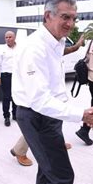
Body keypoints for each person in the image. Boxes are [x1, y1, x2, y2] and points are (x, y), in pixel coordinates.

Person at [12, 0, 93, 184]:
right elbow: (39, 99)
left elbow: (53, 88)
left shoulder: (56, 42)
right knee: (62, 178)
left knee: (48, 172)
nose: (70, 23)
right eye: (65, 17)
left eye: (74, 18)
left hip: (49, 116)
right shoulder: (35, 47)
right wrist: (82, 114)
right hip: (36, 116)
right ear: (48, 16)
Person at [9, 38, 84, 167]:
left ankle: (57, 144)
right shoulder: (38, 49)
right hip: (43, 98)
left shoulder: (57, 49)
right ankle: (19, 150)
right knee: (35, 130)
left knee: (55, 124)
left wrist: (78, 43)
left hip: (56, 96)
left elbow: (70, 49)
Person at [0, 31, 17, 127]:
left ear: (14, 37)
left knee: (16, 96)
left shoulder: (20, 48)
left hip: (17, 76)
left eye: (10, 37)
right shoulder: (1, 50)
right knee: (6, 97)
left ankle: (15, 114)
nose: (8, 39)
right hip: (5, 75)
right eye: (6, 37)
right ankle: (6, 116)